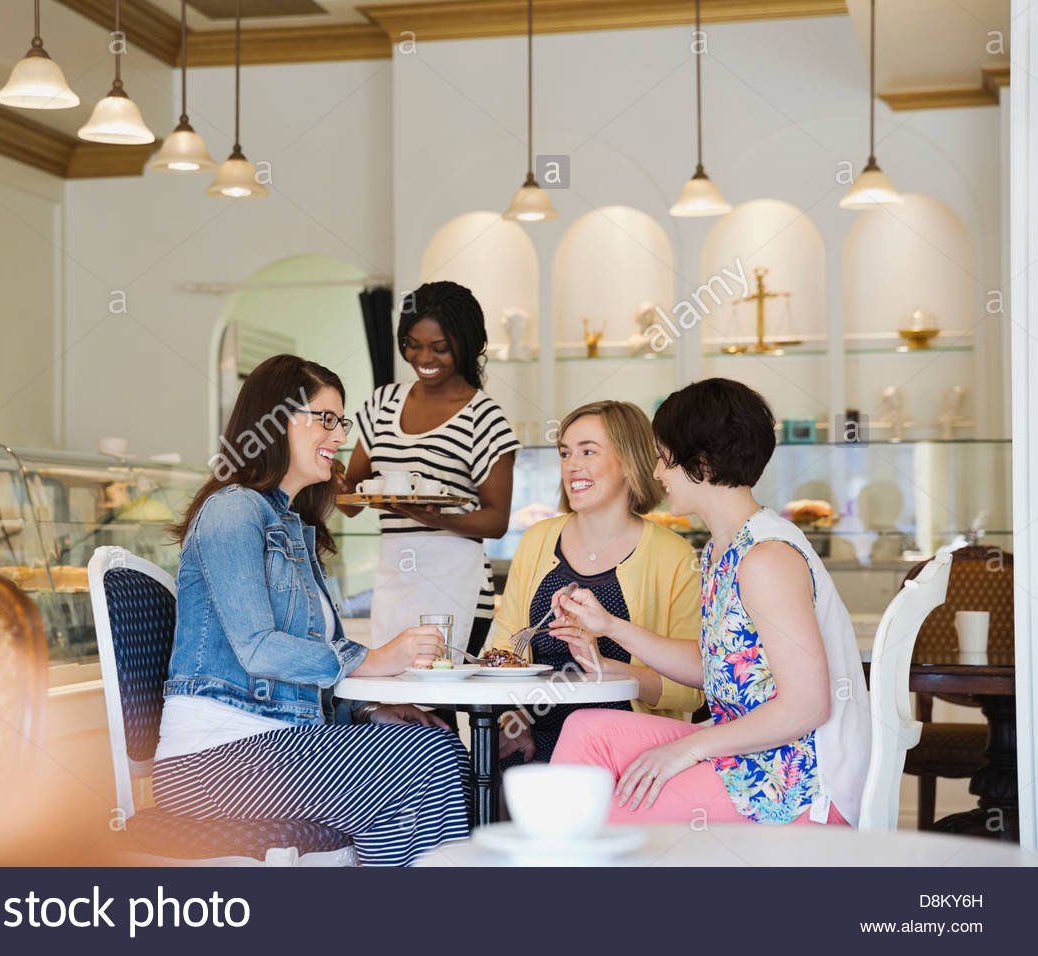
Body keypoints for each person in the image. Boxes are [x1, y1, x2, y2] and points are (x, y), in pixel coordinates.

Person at [153, 354, 470, 866]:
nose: (339, 435)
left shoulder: (287, 523)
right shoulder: (233, 509)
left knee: (441, 746)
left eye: (340, 421)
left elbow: (296, 680)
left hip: (271, 744)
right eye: (326, 419)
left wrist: (369, 711)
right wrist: (373, 659)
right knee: (425, 762)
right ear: (276, 422)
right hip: (209, 764)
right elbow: (258, 649)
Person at [550, 378, 870, 826]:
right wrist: (611, 628)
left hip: (798, 781)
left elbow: (807, 706)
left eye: (664, 459)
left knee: (602, 813)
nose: (658, 474)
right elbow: (719, 666)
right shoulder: (724, 549)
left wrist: (687, 748)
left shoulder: (766, 558)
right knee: (587, 730)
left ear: (700, 463)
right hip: (751, 753)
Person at [487, 401, 703, 767]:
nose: (572, 465)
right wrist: (512, 720)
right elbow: (505, 648)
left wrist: (603, 666)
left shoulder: (676, 556)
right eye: (566, 453)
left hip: (623, 744)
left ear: (628, 462)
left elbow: (690, 690)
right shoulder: (537, 540)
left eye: (588, 451)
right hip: (532, 736)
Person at [338, 281, 519, 655]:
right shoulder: (382, 403)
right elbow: (349, 501)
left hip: (457, 580)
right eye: (413, 344)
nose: (424, 358)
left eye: (440, 348)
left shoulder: (484, 417)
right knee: (397, 700)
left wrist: (439, 520)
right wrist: (328, 475)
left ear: (467, 345)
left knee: (442, 698)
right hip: (394, 577)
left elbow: (497, 519)